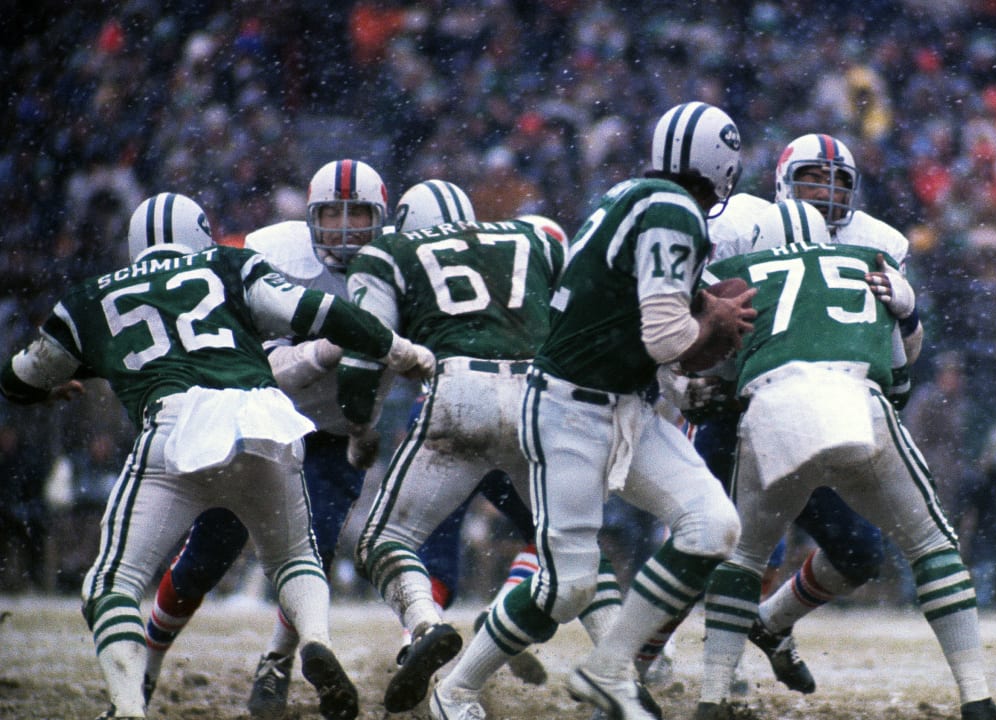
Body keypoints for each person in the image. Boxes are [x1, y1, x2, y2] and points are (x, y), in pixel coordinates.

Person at [0, 192, 435, 720]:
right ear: (202, 233)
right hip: (265, 417)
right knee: (296, 558)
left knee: (111, 582)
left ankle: (128, 706)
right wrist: (398, 349)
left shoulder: (88, 298)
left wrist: (49, 389)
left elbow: (19, 378)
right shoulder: (229, 262)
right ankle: (315, 640)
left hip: (177, 425)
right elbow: (316, 311)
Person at [427, 100, 754, 720]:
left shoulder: (633, 195)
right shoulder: (673, 211)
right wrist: (711, 320)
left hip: (624, 407)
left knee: (714, 525)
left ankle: (609, 668)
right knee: (566, 585)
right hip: (568, 411)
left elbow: (636, 321)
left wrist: (696, 336)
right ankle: (456, 690)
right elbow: (665, 337)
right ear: (723, 163)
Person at [694, 200, 996, 720]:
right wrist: (907, 315)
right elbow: (900, 376)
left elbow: (719, 377)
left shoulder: (735, 275)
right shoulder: (869, 261)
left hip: (771, 411)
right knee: (931, 544)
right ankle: (977, 698)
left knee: (742, 557)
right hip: (855, 401)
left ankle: (710, 697)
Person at [659, 132, 917, 694]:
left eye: (837, 180)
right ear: (782, 183)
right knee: (711, 538)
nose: (824, 191)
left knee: (859, 551)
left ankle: (772, 625)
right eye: (811, 178)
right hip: (736, 409)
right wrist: (688, 380)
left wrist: (909, 312)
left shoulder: (876, 243)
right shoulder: (738, 226)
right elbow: (684, 313)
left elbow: (900, 353)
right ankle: (654, 649)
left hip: (824, 412)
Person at [139, 160, 392, 719]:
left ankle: (276, 663)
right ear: (309, 215)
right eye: (333, 212)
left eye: (358, 213)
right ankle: (148, 662)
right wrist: (320, 353)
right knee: (208, 553)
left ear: (383, 218)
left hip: (332, 432)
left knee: (314, 549)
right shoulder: (272, 251)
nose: (346, 228)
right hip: (262, 418)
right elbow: (238, 339)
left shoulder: (399, 264)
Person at [338, 208, 573, 713]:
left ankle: (421, 630)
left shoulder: (400, 255)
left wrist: (361, 425)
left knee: (403, 545)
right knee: (561, 539)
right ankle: (614, 668)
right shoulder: (525, 238)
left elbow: (371, 353)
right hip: (531, 403)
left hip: (452, 410)